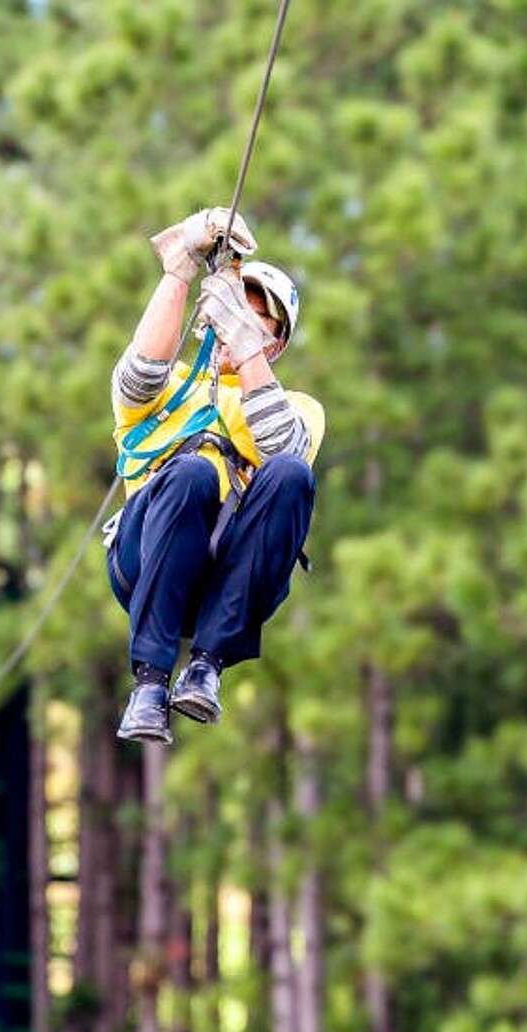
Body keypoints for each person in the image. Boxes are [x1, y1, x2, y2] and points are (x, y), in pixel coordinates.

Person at [105, 206, 324, 743]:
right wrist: (181, 265)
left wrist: (244, 344)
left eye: (256, 322)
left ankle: (206, 665)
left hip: (231, 579)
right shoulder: (171, 390)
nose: (235, 325)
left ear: (275, 345)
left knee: (291, 474)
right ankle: (150, 683)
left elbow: (282, 448)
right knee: (191, 477)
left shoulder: (296, 406)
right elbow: (137, 377)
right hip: (149, 559)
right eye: (232, 312)